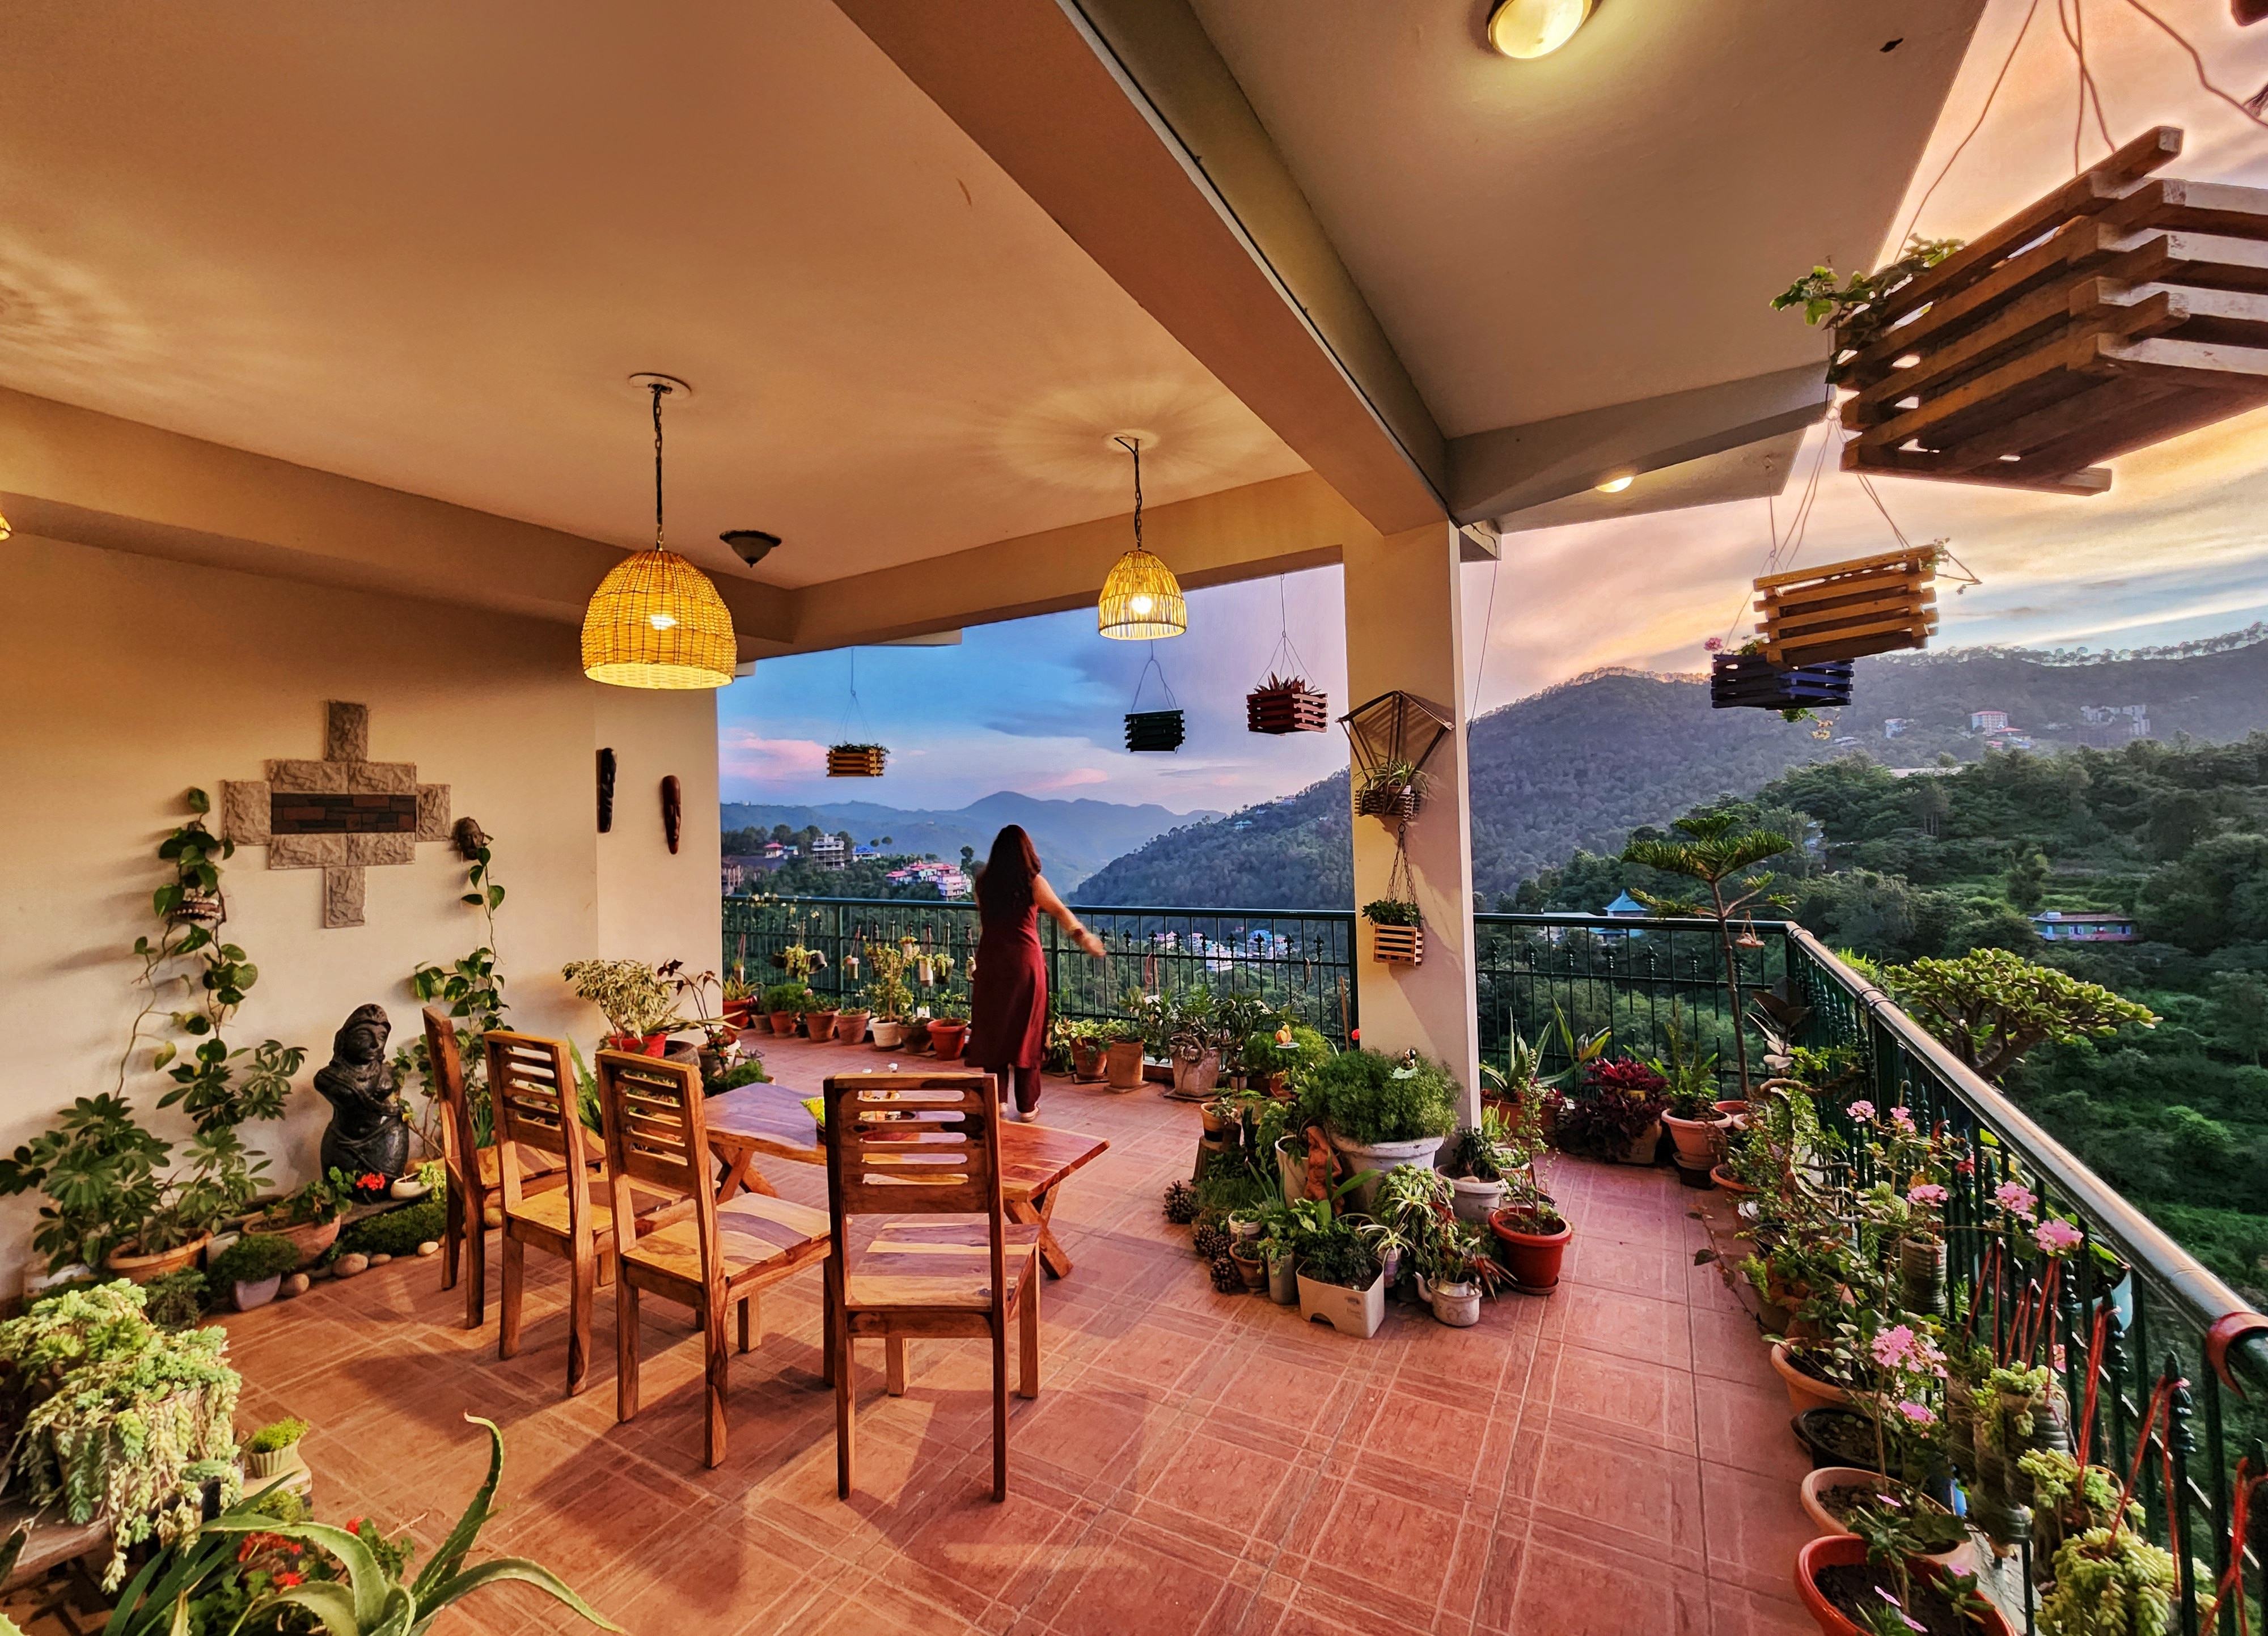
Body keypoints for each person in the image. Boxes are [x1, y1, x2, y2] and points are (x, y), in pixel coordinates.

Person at [965, 824, 1105, 1120]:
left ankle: (997, 1100)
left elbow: (985, 922)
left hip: (991, 960)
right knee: (1027, 1029)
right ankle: (1027, 1106)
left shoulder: (982, 883)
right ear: (1027, 852)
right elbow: (1061, 912)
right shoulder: (1033, 883)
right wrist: (1086, 939)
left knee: (994, 1028)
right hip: (1024, 963)